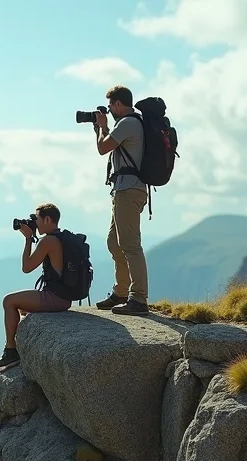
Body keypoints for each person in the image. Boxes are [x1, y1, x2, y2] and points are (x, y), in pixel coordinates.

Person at [0, 202, 74, 370]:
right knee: (22, 309)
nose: (35, 222)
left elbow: (26, 267)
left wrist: (28, 239)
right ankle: (19, 347)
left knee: (9, 301)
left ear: (48, 219)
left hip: (55, 297)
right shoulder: (61, 237)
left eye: (37, 219)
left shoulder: (48, 241)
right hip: (63, 296)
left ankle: (11, 350)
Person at [92, 85, 150, 316]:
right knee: (114, 242)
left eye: (110, 107)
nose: (109, 111)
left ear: (117, 104)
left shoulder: (128, 123)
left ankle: (139, 299)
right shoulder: (133, 123)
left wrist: (101, 128)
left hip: (129, 190)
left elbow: (102, 147)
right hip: (124, 189)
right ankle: (122, 291)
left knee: (130, 245)